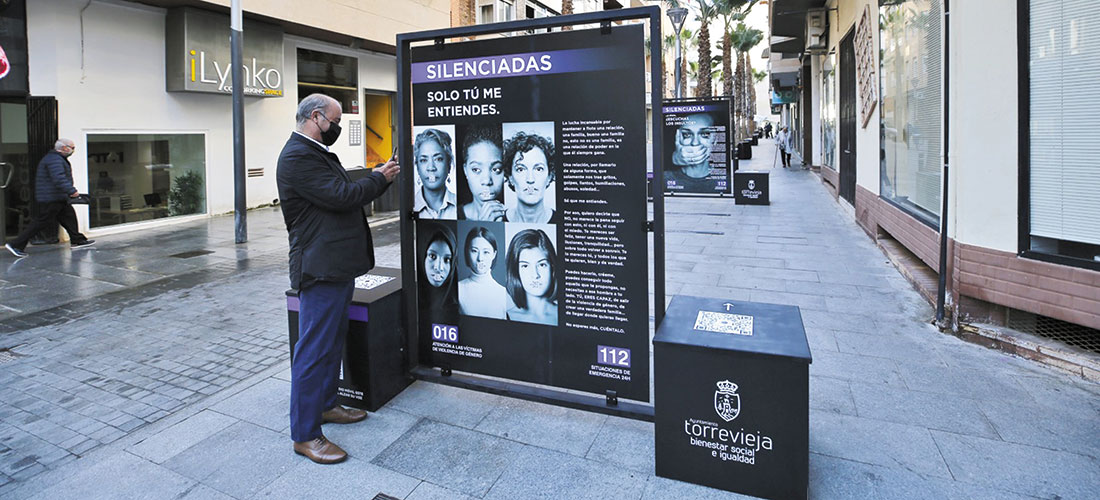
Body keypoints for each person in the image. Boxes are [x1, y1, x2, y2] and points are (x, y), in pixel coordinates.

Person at [276, 93, 400, 465]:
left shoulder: (313, 151)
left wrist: (376, 177)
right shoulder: (298, 156)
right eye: (334, 120)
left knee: (330, 345)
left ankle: (327, 406)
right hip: (320, 269)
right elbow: (342, 195)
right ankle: (306, 435)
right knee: (313, 352)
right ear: (316, 117)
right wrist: (379, 179)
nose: (337, 127)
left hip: (335, 266)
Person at [6, 139, 94, 258]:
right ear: (64, 148)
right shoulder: (54, 160)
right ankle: (15, 244)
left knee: (69, 217)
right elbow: (58, 178)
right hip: (51, 197)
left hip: (58, 196)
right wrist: (72, 191)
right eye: (72, 148)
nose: (73, 150)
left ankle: (77, 240)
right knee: (41, 222)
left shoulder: (56, 158)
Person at [505, 229, 558, 326]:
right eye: (525, 266)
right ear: (516, 271)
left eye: (542, 265)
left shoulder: (564, 315)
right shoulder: (506, 316)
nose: (535, 275)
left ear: (552, 268)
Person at [503, 131, 557, 223]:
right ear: (510, 177)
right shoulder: (497, 219)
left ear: (549, 176)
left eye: (539, 169)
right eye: (521, 169)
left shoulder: (563, 220)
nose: (530, 179)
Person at [459, 125, 505, 221]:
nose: (487, 181)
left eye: (496, 169)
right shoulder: (452, 215)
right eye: (476, 170)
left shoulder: (514, 217)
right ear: (465, 171)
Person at [457, 226, 506, 319]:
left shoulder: (503, 293)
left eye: (486, 252)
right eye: (474, 251)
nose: (480, 258)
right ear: (467, 252)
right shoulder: (458, 289)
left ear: (494, 254)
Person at [665, 113, 718, 192]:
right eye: (687, 134)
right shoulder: (665, 178)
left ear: (715, 140)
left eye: (705, 134)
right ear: (678, 138)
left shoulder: (726, 179)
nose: (695, 142)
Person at [413, 128, 457, 219]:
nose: (431, 168)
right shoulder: (410, 206)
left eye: (438, 159)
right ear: (417, 167)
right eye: (424, 160)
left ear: (449, 165)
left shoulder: (461, 206)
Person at [419, 225, 458, 313]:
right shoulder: (410, 297)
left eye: (447, 259)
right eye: (432, 256)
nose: (438, 267)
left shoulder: (464, 303)